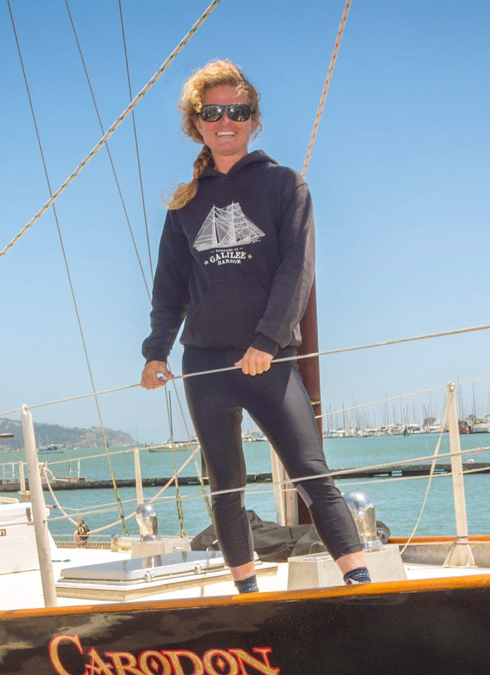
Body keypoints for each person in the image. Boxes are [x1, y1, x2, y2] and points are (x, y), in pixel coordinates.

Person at [140, 59, 370, 594]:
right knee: (226, 486)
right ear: (196, 123)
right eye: (213, 112)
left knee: (311, 472)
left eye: (237, 111)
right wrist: (157, 352)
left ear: (253, 120)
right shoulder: (185, 205)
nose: (226, 121)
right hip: (205, 363)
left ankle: (360, 584)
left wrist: (267, 341)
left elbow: (297, 269)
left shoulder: (284, 185)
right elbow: (170, 287)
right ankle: (246, 594)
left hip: (267, 361)